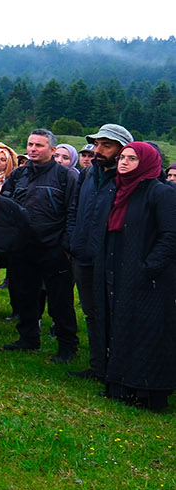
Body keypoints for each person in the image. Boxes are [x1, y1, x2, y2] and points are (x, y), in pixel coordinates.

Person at [96, 141, 176, 409]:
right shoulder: (119, 190)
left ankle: (147, 391)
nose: (123, 162)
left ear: (147, 163)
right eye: (122, 157)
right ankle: (122, 386)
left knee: (148, 332)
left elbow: (170, 235)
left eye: (132, 159)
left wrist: (149, 266)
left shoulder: (160, 193)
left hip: (151, 277)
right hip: (120, 268)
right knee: (123, 327)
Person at [0, 129, 79, 361]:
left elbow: (73, 211)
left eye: (39, 145)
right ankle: (28, 338)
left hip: (53, 248)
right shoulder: (18, 175)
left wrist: (65, 245)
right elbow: (6, 206)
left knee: (60, 300)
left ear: (53, 150)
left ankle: (67, 346)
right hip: (22, 248)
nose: (33, 149)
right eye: (30, 144)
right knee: (24, 295)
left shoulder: (66, 177)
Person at [66, 123, 130, 381]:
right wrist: (72, 239)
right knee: (91, 311)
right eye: (96, 144)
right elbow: (74, 208)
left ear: (122, 149)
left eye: (107, 145)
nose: (98, 150)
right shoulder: (88, 174)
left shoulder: (128, 179)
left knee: (115, 313)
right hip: (83, 254)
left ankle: (117, 367)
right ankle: (97, 366)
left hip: (113, 258)